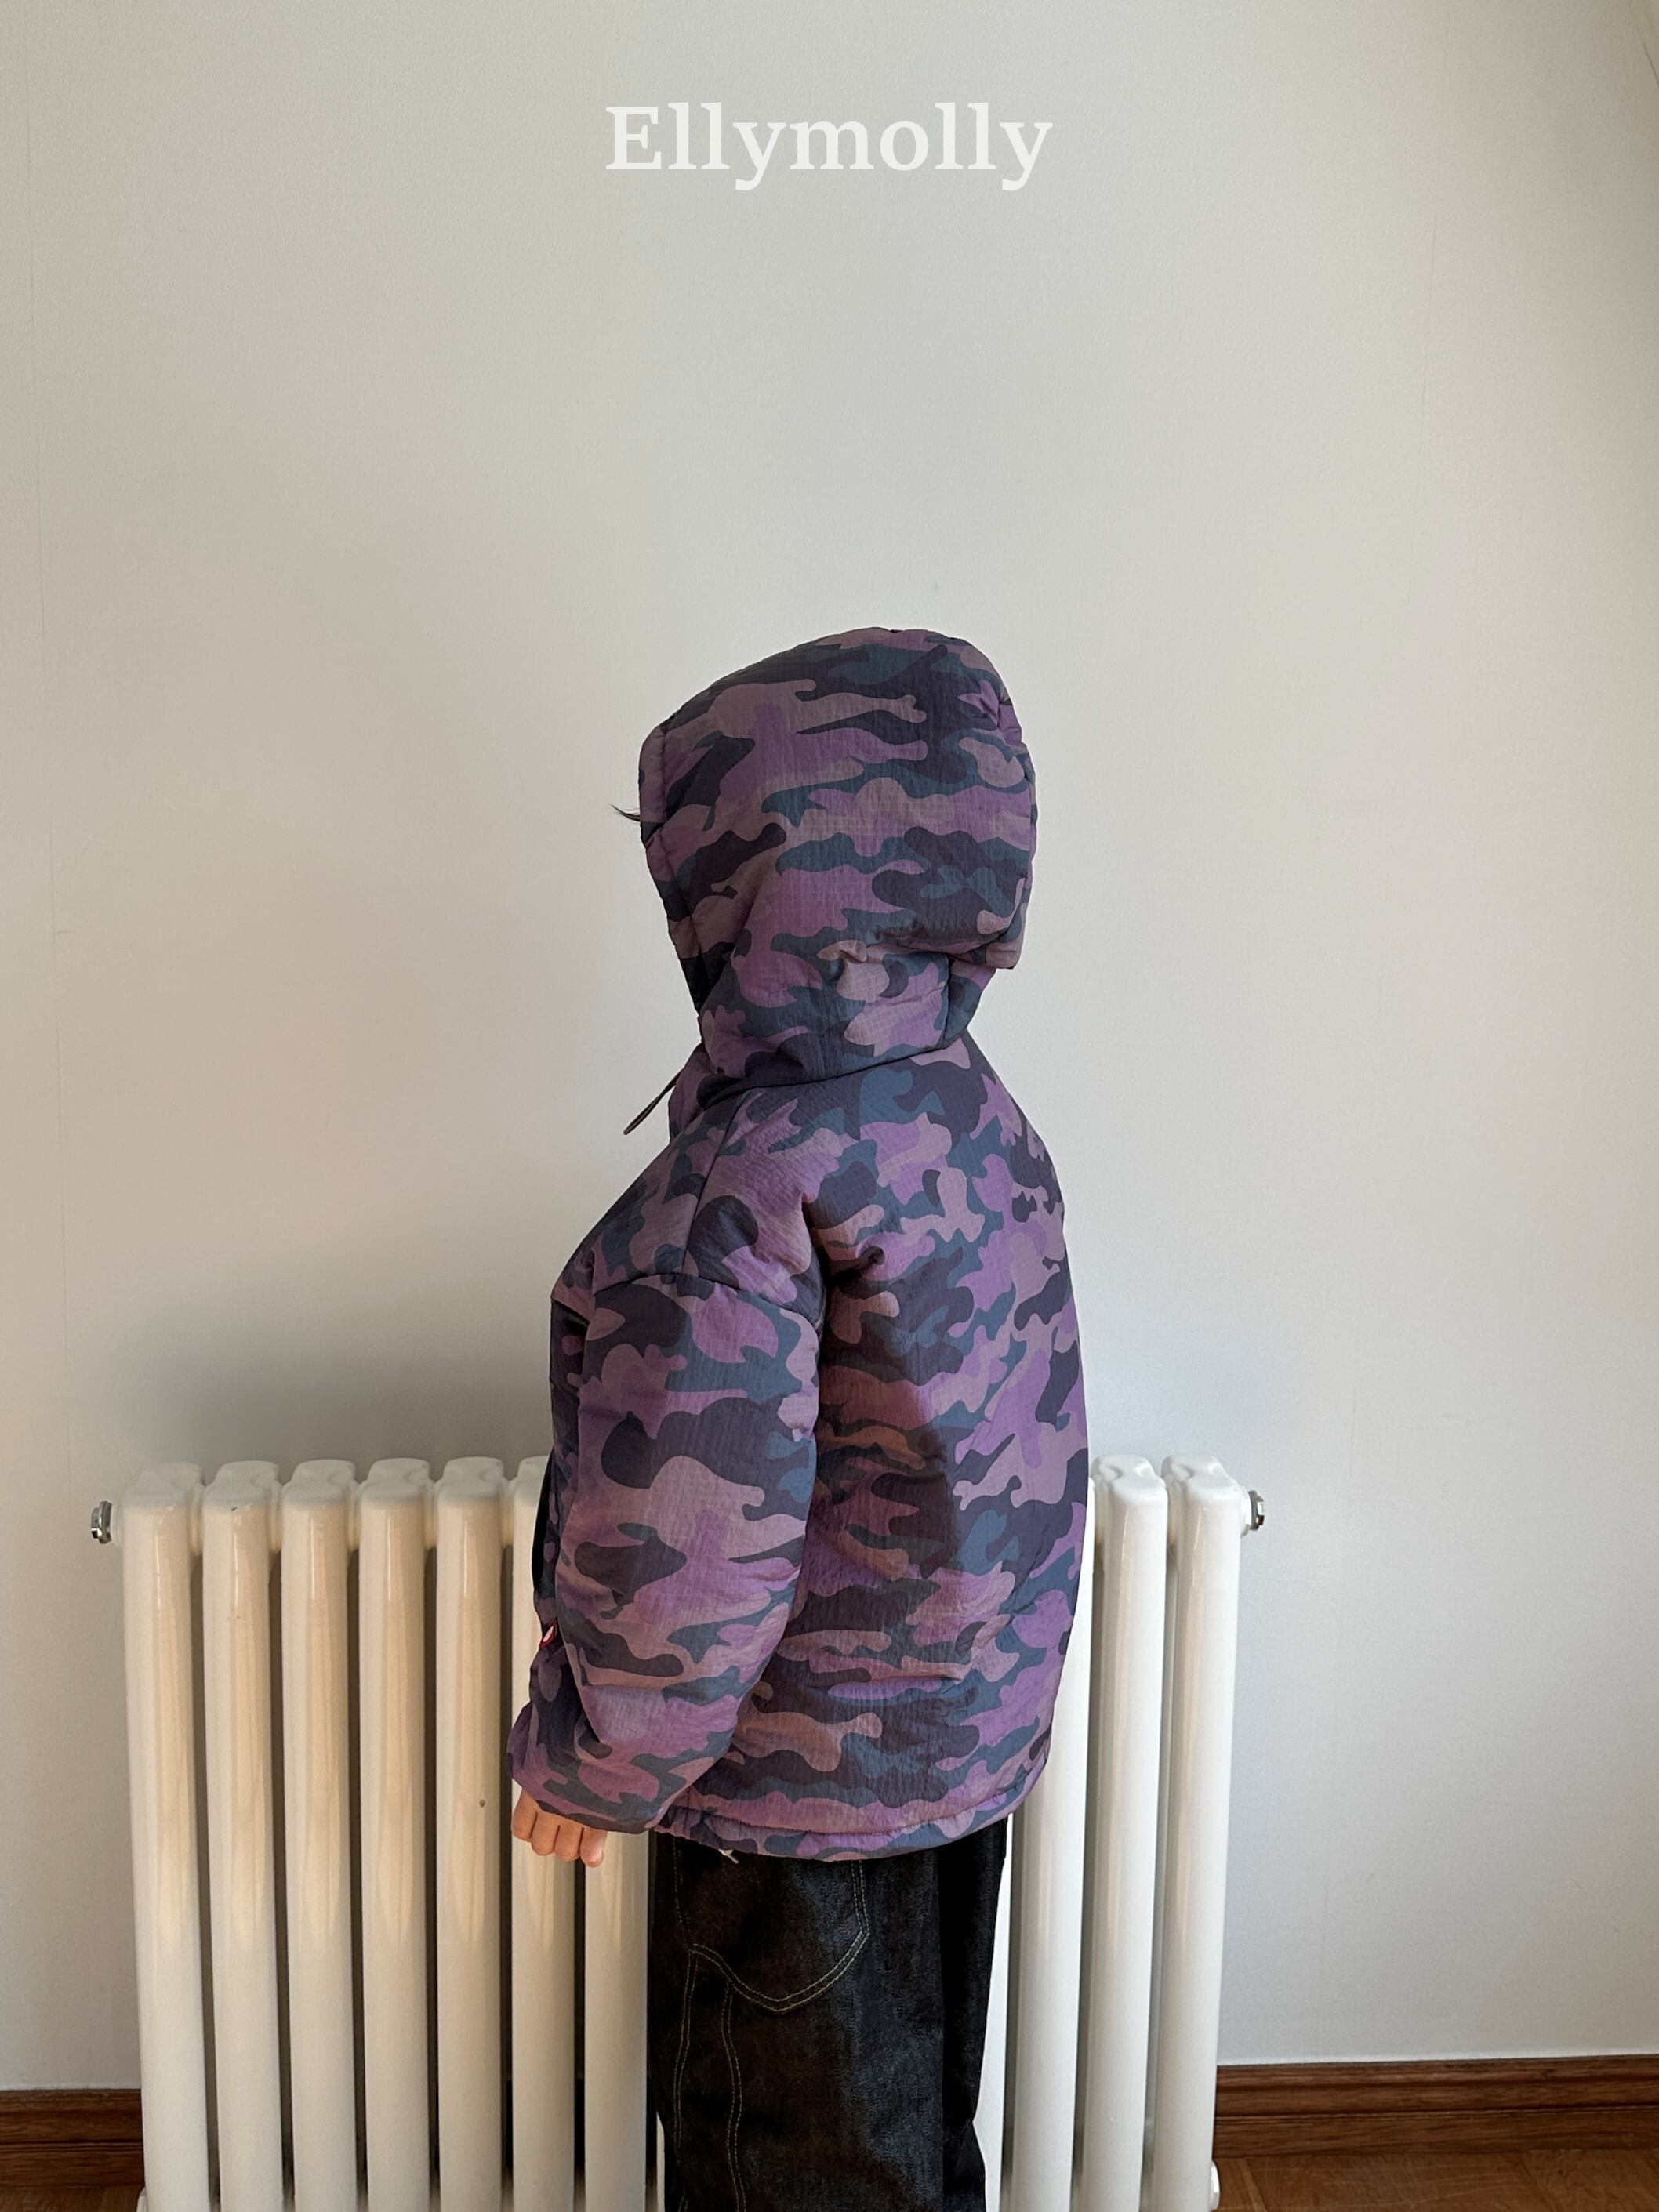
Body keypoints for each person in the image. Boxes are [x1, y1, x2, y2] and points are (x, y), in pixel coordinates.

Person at [507, 626, 1088, 2212]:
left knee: (789, 2172)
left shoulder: (742, 1186)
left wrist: (593, 1756)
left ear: (747, 889)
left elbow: (688, 1537)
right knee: (907, 2152)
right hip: (952, 1764)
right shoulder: (965, 1110)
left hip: (792, 1807)